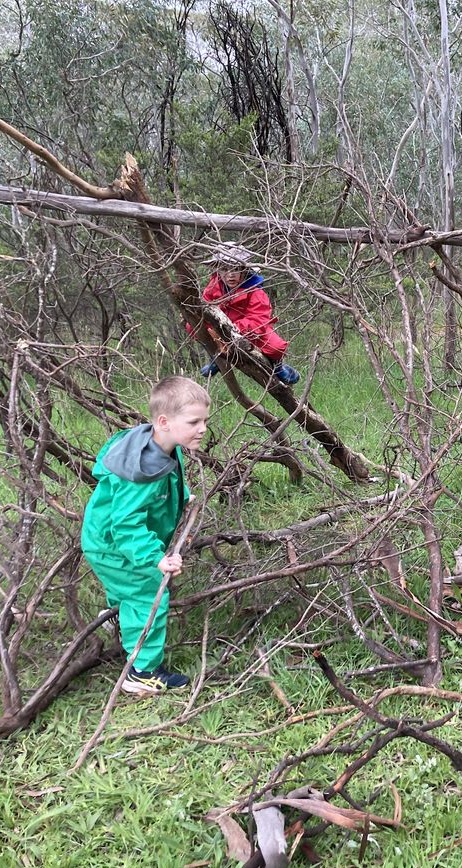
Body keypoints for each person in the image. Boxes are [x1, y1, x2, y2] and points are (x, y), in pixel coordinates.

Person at [81, 376, 210, 695]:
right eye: (194, 421)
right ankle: (142, 672)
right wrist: (157, 559)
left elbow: (168, 478)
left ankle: (119, 618)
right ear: (164, 421)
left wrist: (183, 496)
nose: (202, 429)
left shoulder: (160, 443)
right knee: (148, 592)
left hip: (109, 541)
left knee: (130, 588)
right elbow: (125, 526)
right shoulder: (141, 472)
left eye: (204, 420)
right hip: (115, 546)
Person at [193, 242, 300, 385]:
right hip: (219, 328)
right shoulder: (214, 286)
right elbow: (205, 306)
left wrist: (232, 329)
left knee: (276, 347)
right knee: (192, 324)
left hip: (250, 331)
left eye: (236, 269)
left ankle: (278, 367)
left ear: (244, 269)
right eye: (224, 269)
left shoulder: (255, 291)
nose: (230, 274)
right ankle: (216, 357)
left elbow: (258, 321)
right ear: (217, 270)